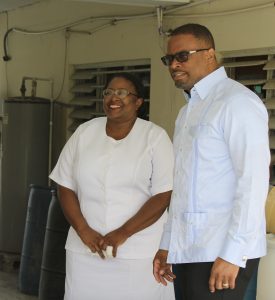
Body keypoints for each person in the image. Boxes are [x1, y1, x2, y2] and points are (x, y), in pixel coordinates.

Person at [153, 23, 270, 300]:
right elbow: (182, 187)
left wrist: (233, 254)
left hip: (222, 251)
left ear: (210, 54)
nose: (174, 65)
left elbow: (252, 182)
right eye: (169, 59)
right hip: (190, 249)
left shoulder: (237, 103)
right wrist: (168, 243)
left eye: (182, 56)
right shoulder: (187, 112)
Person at [50, 72, 175, 300]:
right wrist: (83, 229)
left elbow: (162, 195)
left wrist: (123, 233)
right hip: (85, 250)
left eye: (121, 93)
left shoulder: (155, 137)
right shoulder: (84, 133)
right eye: (108, 92)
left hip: (138, 253)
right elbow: (65, 185)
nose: (112, 98)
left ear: (138, 102)